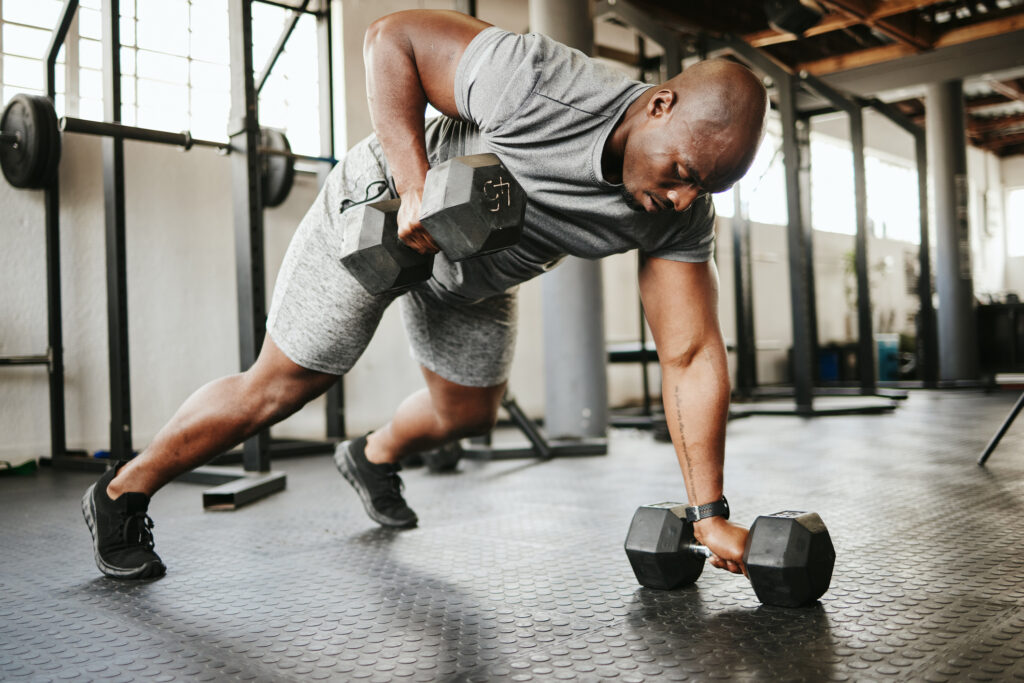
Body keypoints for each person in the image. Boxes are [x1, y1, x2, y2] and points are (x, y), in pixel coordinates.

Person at [81, 9, 768, 581]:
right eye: (680, 170)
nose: (680, 196)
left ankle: (372, 454)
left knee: (468, 411)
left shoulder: (677, 214)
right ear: (659, 105)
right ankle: (121, 492)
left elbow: (689, 354)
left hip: (481, 263)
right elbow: (392, 38)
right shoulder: (538, 83)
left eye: (702, 187)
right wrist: (414, 187)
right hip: (382, 212)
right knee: (282, 385)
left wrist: (707, 511)